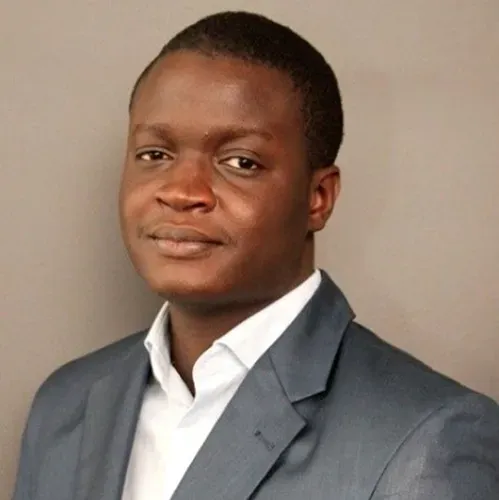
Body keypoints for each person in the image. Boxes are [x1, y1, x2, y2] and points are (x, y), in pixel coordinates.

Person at [12, 10, 499, 500]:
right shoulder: (65, 405)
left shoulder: (427, 440)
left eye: (240, 162)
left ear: (318, 198)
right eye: (155, 155)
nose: (181, 192)